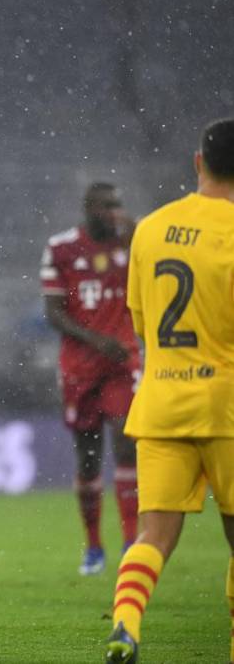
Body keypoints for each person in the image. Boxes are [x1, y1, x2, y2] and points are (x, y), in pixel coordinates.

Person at [104, 118, 234, 664]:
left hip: (159, 403)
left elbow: (139, 320)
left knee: (153, 534)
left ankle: (127, 623)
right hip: (226, 406)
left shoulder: (151, 228)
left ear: (198, 162)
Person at [41, 183, 140, 575]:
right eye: (107, 206)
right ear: (88, 208)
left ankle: (132, 542)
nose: (114, 212)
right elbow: (53, 312)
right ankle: (95, 546)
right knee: (89, 456)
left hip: (121, 366)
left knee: (127, 443)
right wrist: (97, 339)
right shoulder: (62, 248)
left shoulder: (131, 244)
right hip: (80, 368)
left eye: (118, 204)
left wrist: (138, 239)